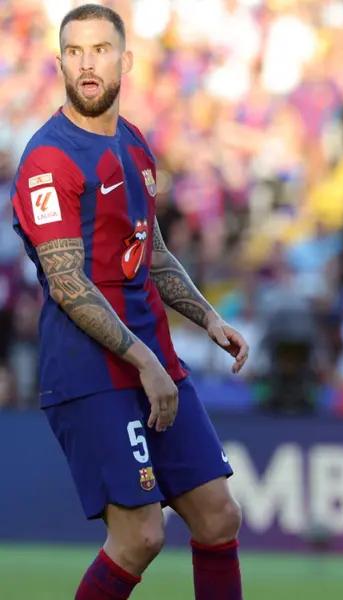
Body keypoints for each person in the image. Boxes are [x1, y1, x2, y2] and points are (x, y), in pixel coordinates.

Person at [9, 5, 248, 599]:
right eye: (74, 52)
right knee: (139, 535)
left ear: (126, 60)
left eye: (100, 50)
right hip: (92, 368)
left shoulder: (135, 144)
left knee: (219, 517)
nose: (87, 64)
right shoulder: (48, 159)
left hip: (155, 360)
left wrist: (207, 316)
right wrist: (144, 362)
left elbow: (154, 251)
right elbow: (68, 284)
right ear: (59, 61)